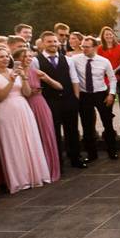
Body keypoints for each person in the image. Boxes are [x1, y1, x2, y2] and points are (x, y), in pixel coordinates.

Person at [0, 46, 52, 193]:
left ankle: (36, 176)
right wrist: (12, 80)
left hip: (23, 108)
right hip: (5, 112)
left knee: (29, 141)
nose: (6, 59)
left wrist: (23, 77)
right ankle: (20, 180)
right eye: (1, 56)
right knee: (13, 144)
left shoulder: (16, 72)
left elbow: (26, 93)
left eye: (7, 56)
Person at [35, 31, 84, 168]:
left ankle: (76, 159)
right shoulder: (35, 61)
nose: (53, 44)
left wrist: (76, 99)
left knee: (72, 131)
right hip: (49, 101)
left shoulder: (67, 59)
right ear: (43, 43)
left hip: (69, 100)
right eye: (49, 42)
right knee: (54, 131)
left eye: (55, 41)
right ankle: (58, 163)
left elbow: (74, 79)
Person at [13, 48, 61, 182]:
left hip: (39, 105)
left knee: (46, 135)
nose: (28, 58)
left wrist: (47, 79)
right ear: (17, 59)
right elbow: (25, 93)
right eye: (25, 56)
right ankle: (36, 172)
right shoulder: (13, 73)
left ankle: (51, 169)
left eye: (29, 56)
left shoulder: (36, 72)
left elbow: (59, 87)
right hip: (23, 107)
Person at [72, 36, 118, 161]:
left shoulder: (104, 61)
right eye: (83, 46)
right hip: (84, 95)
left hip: (101, 94)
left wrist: (111, 94)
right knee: (87, 126)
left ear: (95, 47)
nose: (84, 49)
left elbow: (112, 79)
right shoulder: (74, 60)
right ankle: (92, 154)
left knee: (107, 123)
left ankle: (112, 151)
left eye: (87, 47)